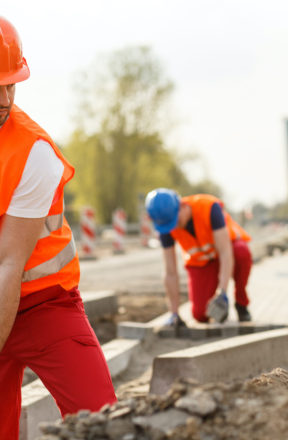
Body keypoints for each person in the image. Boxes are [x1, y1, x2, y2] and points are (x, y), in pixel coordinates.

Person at [0, 17, 116, 439]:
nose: (5, 97)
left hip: (46, 308)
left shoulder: (33, 153)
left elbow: (8, 265)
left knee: (102, 422)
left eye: (11, 84)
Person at [145, 188, 253, 325]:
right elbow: (170, 272)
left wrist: (222, 293)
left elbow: (226, 253)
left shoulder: (208, 208)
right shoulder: (166, 226)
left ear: (182, 206)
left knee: (241, 252)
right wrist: (174, 313)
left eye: (175, 222)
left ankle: (241, 303)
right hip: (202, 263)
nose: (174, 227)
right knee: (200, 314)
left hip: (227, 253)